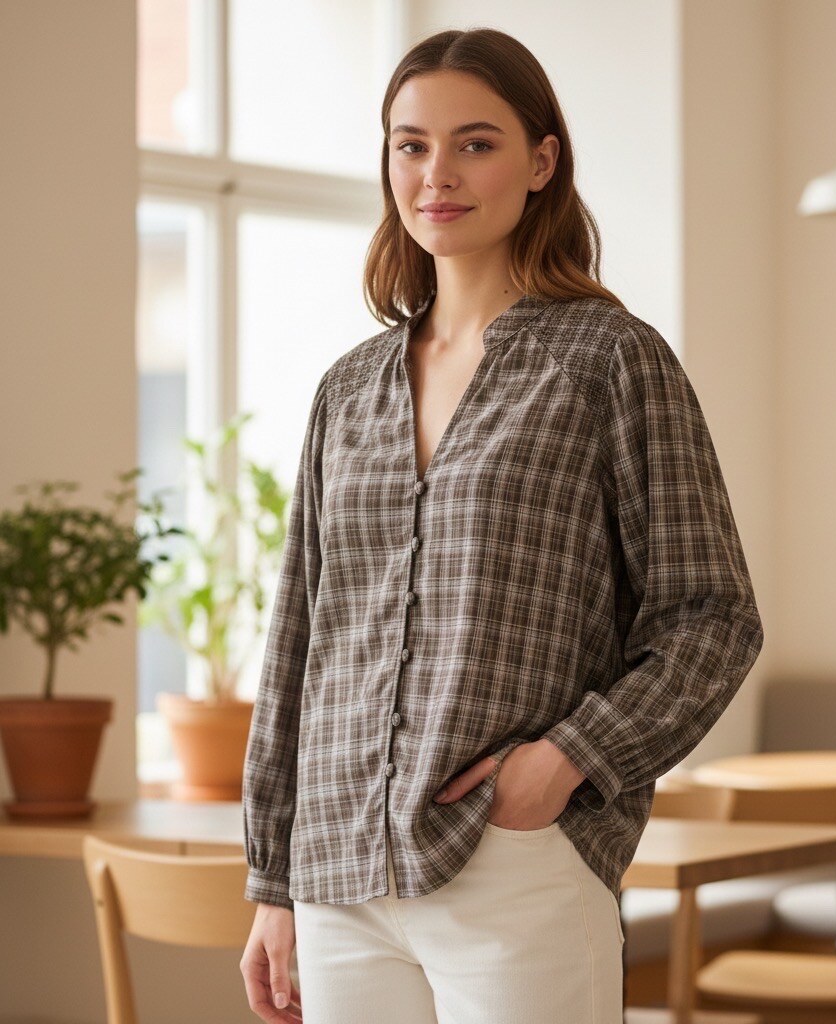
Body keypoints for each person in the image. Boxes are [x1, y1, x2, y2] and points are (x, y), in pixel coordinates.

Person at [239, 26, 764, 1024]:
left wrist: (565, 760)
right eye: (410, 144)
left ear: (540, 161)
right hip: (338, 879)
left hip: (513, 862)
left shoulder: (609, 359)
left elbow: (712, 616)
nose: (437, 173)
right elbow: (300, 643)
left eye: (475, 143)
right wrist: (273, 880)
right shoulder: (345, 389)